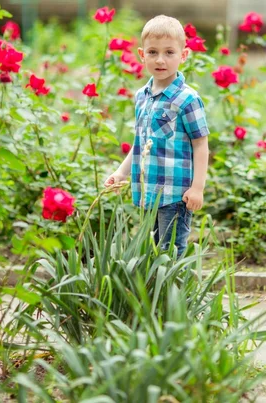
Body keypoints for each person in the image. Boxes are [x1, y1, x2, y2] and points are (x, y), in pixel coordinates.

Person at [105, 15, 210, 257]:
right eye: (152, 52)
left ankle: (176, 294)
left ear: (183, 56)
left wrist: (197, 188)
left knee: (171, 250)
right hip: (147, 190)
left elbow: (201, 145)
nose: (160, 60)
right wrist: (121, 172)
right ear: (142, 54)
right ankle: (154, 294)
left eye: (169, 52)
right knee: (150, 250)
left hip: (175, 194)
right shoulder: (142, 96)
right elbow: (141, 143)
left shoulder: (187, 99)